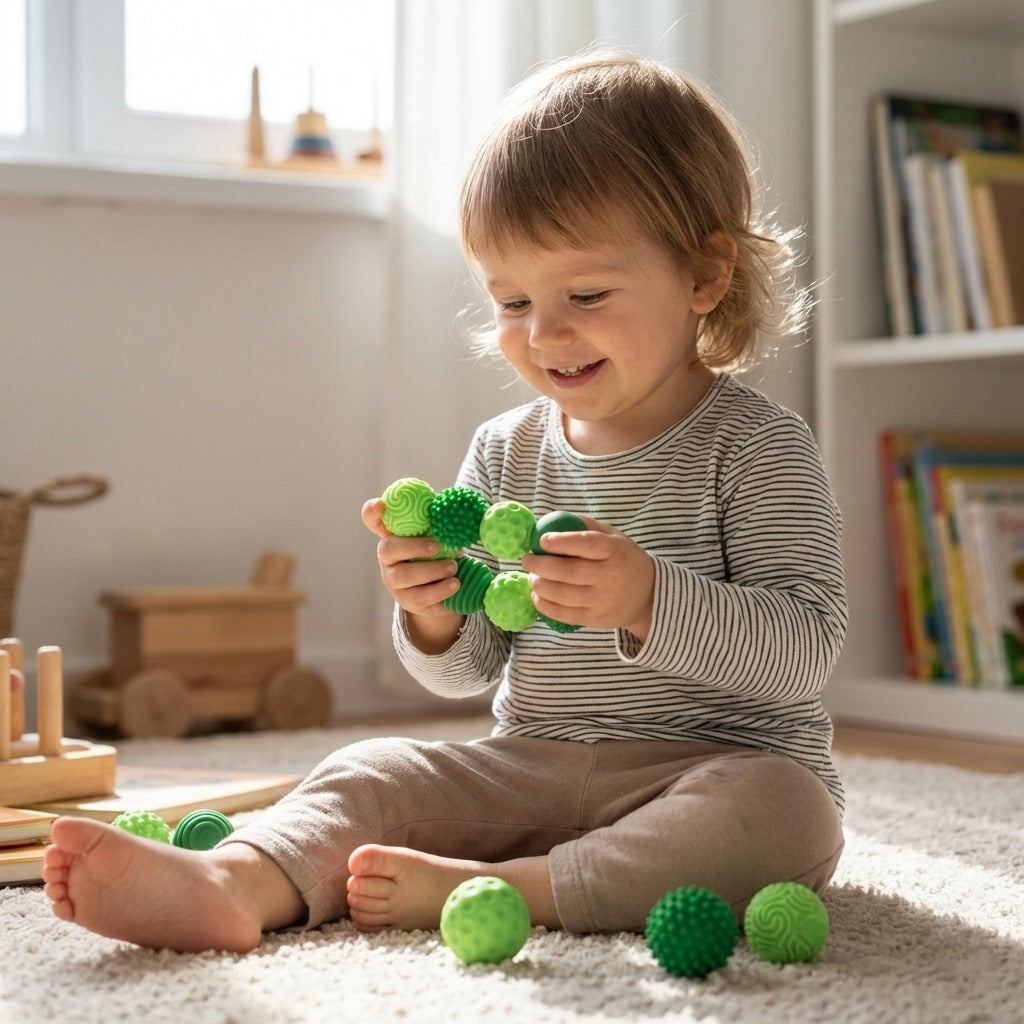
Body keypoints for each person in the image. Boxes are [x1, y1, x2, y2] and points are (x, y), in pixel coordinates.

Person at [42, 50, 847, 954]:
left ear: (705, 277)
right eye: (511, 300)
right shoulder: (502, 452)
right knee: (373, 768)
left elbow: (803, 649)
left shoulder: (758, 447)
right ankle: (236, 879)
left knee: (789, 815)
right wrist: (432, 615)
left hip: (710, 769)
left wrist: (648, 601)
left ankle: (517, 889)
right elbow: (467, 671)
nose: (544, 332)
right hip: (528, 769)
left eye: (586, 293)